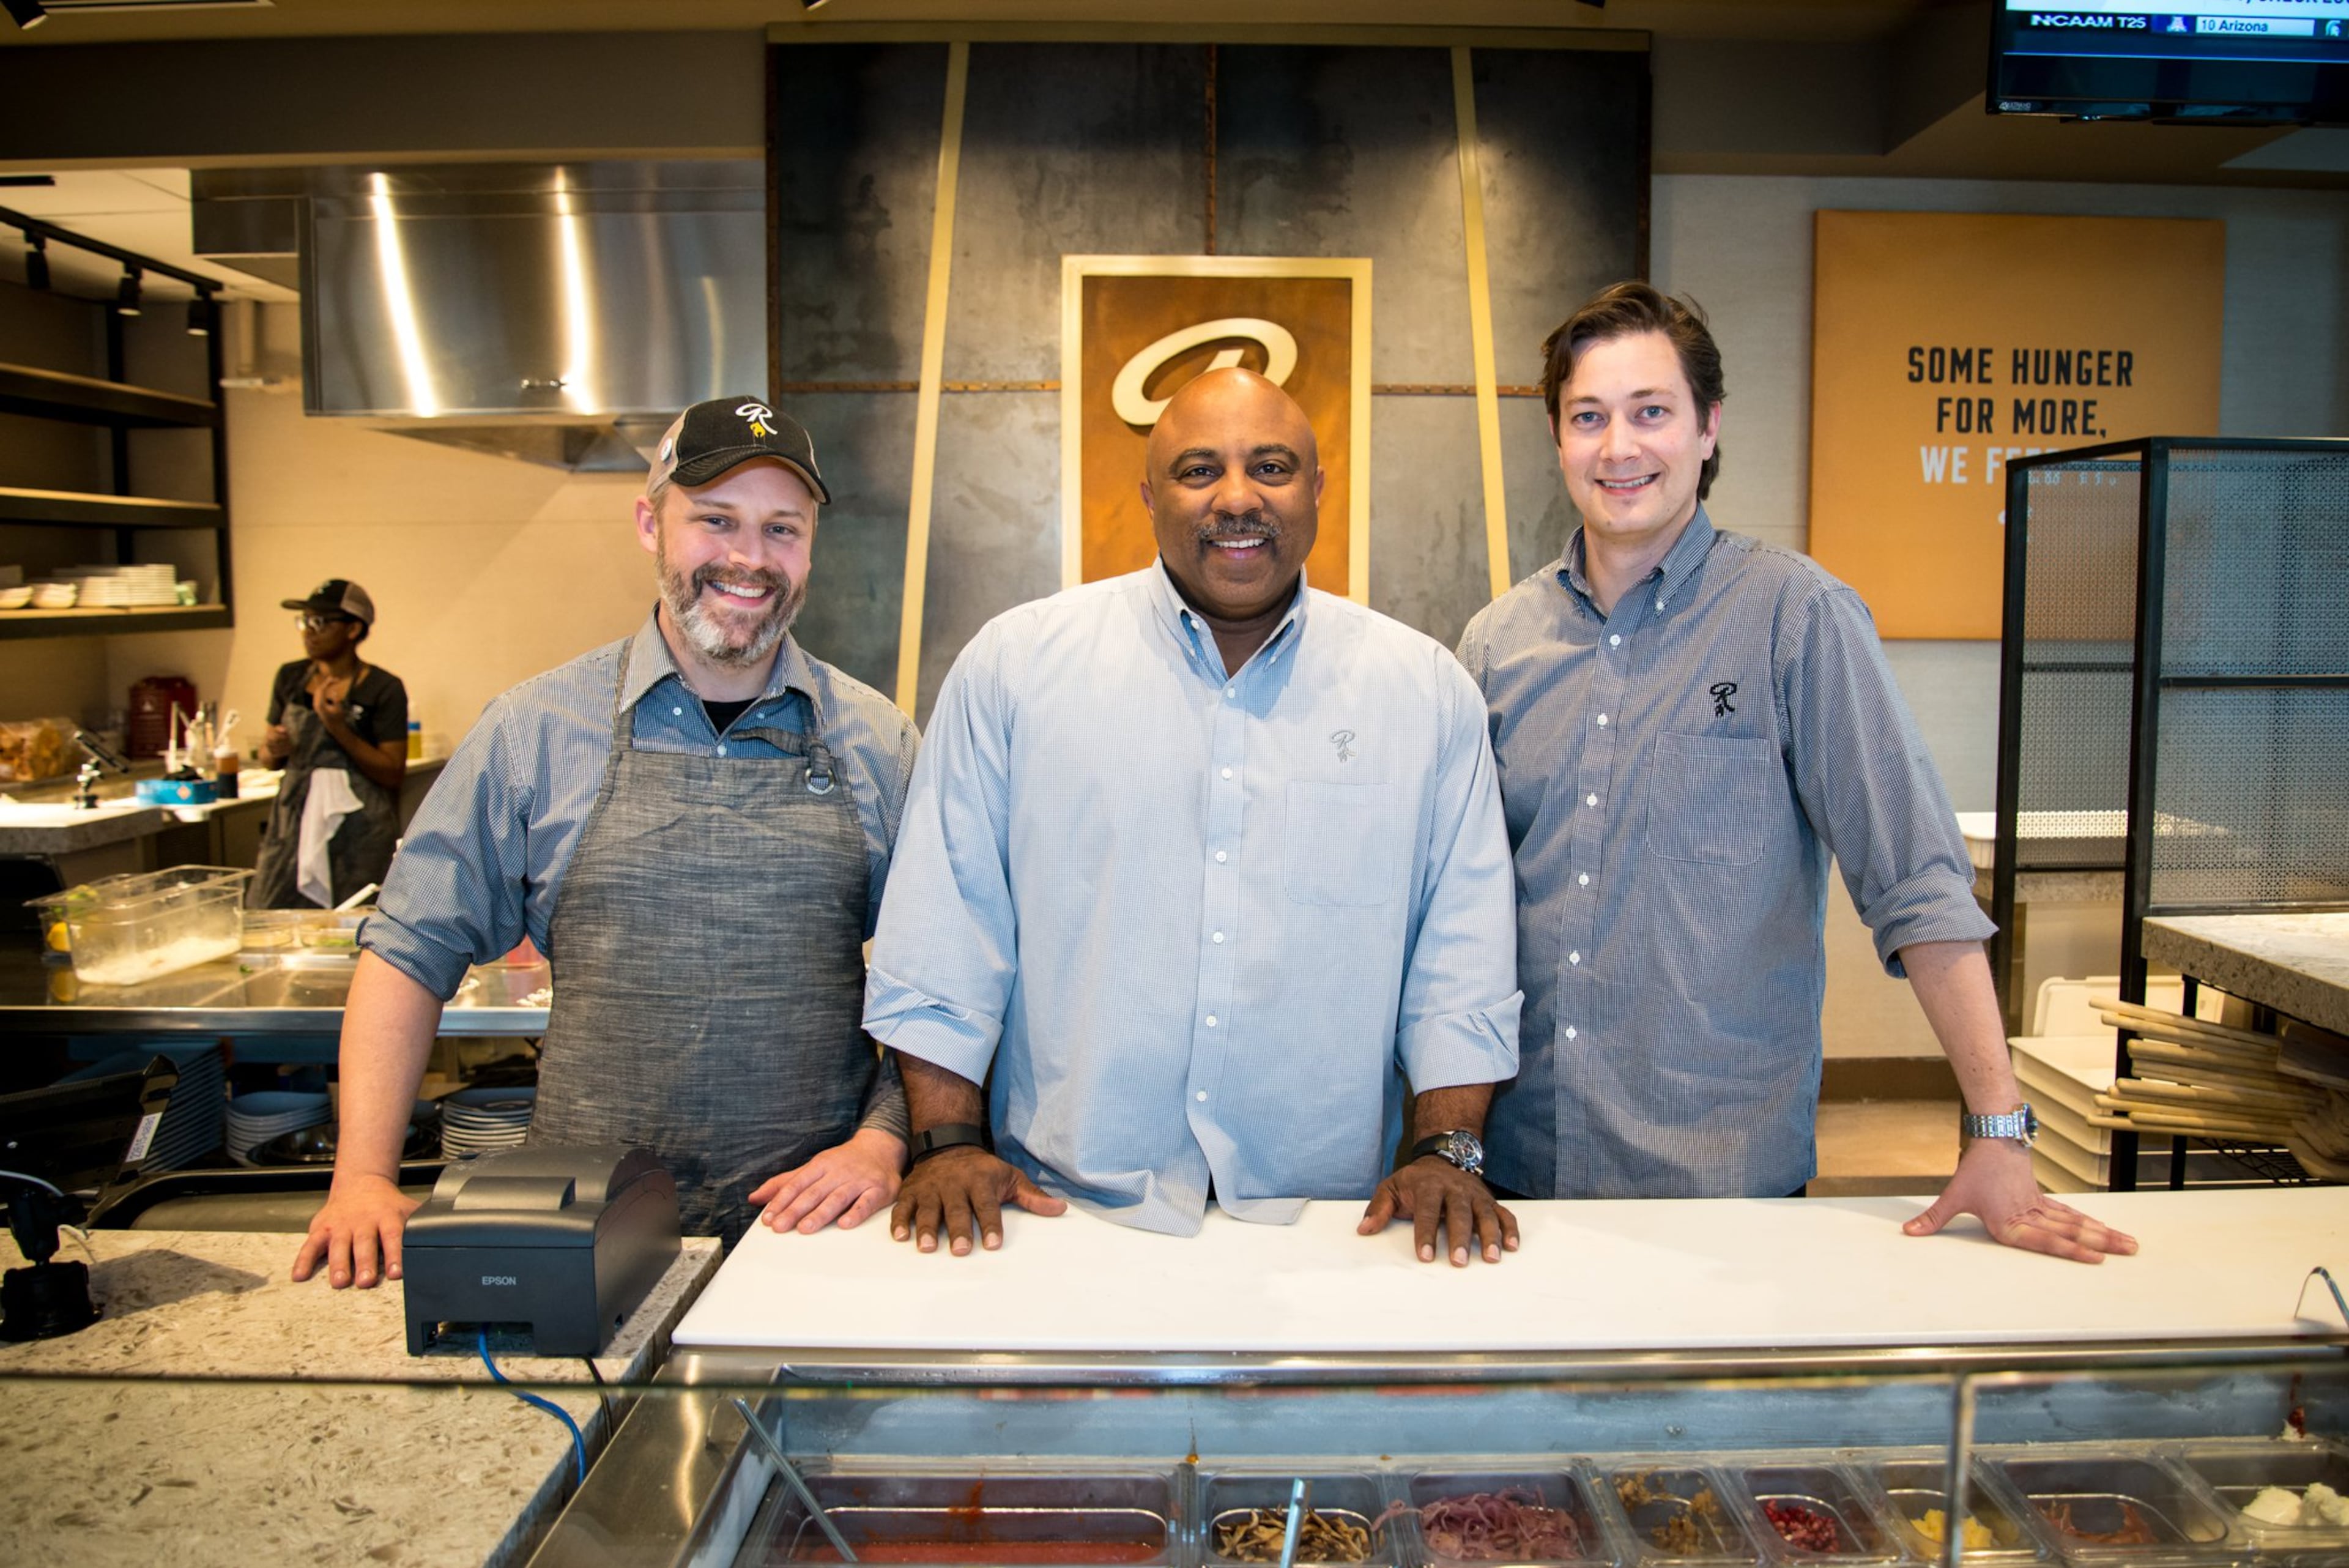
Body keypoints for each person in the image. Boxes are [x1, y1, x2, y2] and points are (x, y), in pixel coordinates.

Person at [1455, 281, 2137, 1265]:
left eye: (1652, 412)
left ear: (1707, 427)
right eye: (1589, 417)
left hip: (1724, 1182)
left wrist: (1997, 1126)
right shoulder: (1497, 642)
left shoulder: (1794, 617)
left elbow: (1916, 880)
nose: (1620, 448)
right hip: (1522, 1167)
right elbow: (1457, 908)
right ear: (1559, 438)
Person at [864, 368, 1524, 1266]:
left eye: (1273, 466)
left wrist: (1447, 1149)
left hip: (1339, 1226)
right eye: (1199, 470)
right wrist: (947, 1143)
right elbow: (947, 924)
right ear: (1148, 495)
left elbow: (1462, 949)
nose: (1238, 498)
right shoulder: (1015, 669)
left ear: (1319, 489)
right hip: (1060, 1216)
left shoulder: (1421, 691)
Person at [293, 396, 917, 1285]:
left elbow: (946, 976)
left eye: (781, 527)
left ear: (812, 541)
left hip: (817, 1230)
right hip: (578, 1230)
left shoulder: (878, 740)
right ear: (649, 523)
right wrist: (361, 1176)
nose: (748, 557)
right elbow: (408, 950)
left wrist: (882, 1139)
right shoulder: (531, 732)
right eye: (714, 520)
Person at [252, 579, 409, 910]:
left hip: (359, 827)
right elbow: (267, 758)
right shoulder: (290, 678)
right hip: (293, 819)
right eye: (305, 622)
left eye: (320, 623)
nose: (309, 632)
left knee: (358, 914)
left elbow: (393, 772)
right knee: (272, 912)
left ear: (353, 629)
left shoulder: (383, 688)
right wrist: (273, 749)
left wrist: (338, 727)